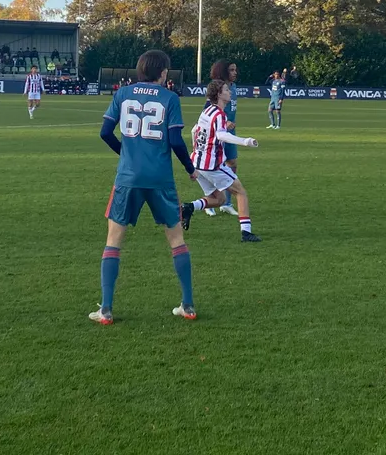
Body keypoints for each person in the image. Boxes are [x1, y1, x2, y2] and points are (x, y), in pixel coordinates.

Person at [90, 50, 199, 325]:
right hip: (160, 179)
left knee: (114, 241)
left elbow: (105, 133)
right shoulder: (170, 98)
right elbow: (175, 141)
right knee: (176, 241)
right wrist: (190, 168)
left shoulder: (122, 94)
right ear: (162, 72)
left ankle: (106, 309)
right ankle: (187, 305)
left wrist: (125, 154)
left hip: (128, 177)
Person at [181, 79, 262, 242]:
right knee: (241, 192)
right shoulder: (218, 114)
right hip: (212, 165)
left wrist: (193, 157)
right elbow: (221, 135)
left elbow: (194, 131)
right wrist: (245, 141)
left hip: (198, 163)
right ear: (218, 94)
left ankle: (188, 207)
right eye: (226, 89)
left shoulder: (207, 112)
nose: (229, 92)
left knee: (219, 199)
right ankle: (246, 233)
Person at [202, 60, 241, 217]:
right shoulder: (217, 88)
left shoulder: (234, 88)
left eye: (235, 69)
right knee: (214, 167)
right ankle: (210, 201)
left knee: (232, 163)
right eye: (231, 70)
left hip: (230, 133)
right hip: (216, 133)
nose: (235, 72)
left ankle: (226, 203)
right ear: (224, 71)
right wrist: (225, 121)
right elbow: (207, 110)